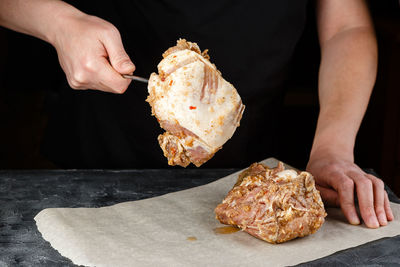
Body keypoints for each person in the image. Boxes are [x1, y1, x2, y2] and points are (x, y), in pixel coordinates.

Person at [0, 0, 394, 228]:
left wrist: (333, 149)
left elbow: (345, 25)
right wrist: (59, 22)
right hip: (90, 167)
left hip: (246, 170)